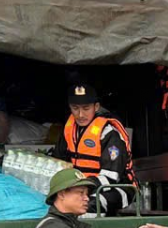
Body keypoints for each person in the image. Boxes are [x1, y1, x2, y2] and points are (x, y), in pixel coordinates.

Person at [52, 82, 137, 216]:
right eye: (75, 108)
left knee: (89, 203)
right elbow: (57, 163)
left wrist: (82, 188)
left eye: (86, 108)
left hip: (116, 188)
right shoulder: (69, 131)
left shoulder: (109, 133)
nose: (80, 114)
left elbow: (111, 177)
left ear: (96, 107)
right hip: (79, 188)